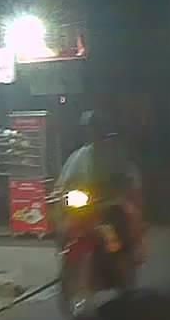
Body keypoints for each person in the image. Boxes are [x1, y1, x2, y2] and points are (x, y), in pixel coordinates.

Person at [55, 110, 145, 266]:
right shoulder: (79, 155)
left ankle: (132, 254)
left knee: (130, 217)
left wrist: (124, 189)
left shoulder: (115, 153)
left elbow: (130, 176)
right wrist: (59, 192)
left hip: (111, 202)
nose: (91, 132)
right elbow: (65, 179)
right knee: (65, 227)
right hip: (87, 204)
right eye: (88, 129)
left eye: (94, 128)